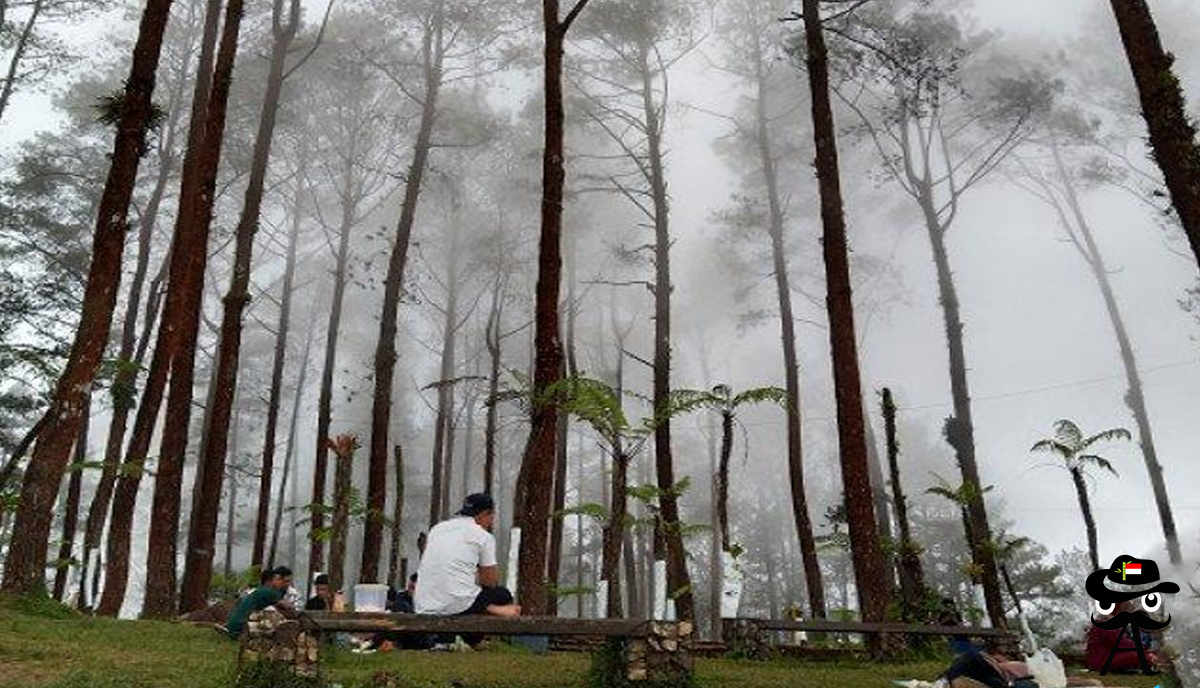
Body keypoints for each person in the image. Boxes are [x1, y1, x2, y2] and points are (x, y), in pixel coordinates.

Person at [415, 493, 520, 619]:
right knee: (502, 595)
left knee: (461, 593)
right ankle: (491, 611)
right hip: (458, 604)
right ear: (485, 514)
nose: (491, 522)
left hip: (424, 603)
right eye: (491, 517)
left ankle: (489, 610)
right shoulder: (483, 536)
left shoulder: (437, 529)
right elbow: (490, 581)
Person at [224, 566, 294, 639]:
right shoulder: (269, 592)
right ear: (272, 580)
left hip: (233, 628)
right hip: (242, 630)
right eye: (283, 581)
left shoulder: (259, 590)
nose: (287, 584)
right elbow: (287, 607)